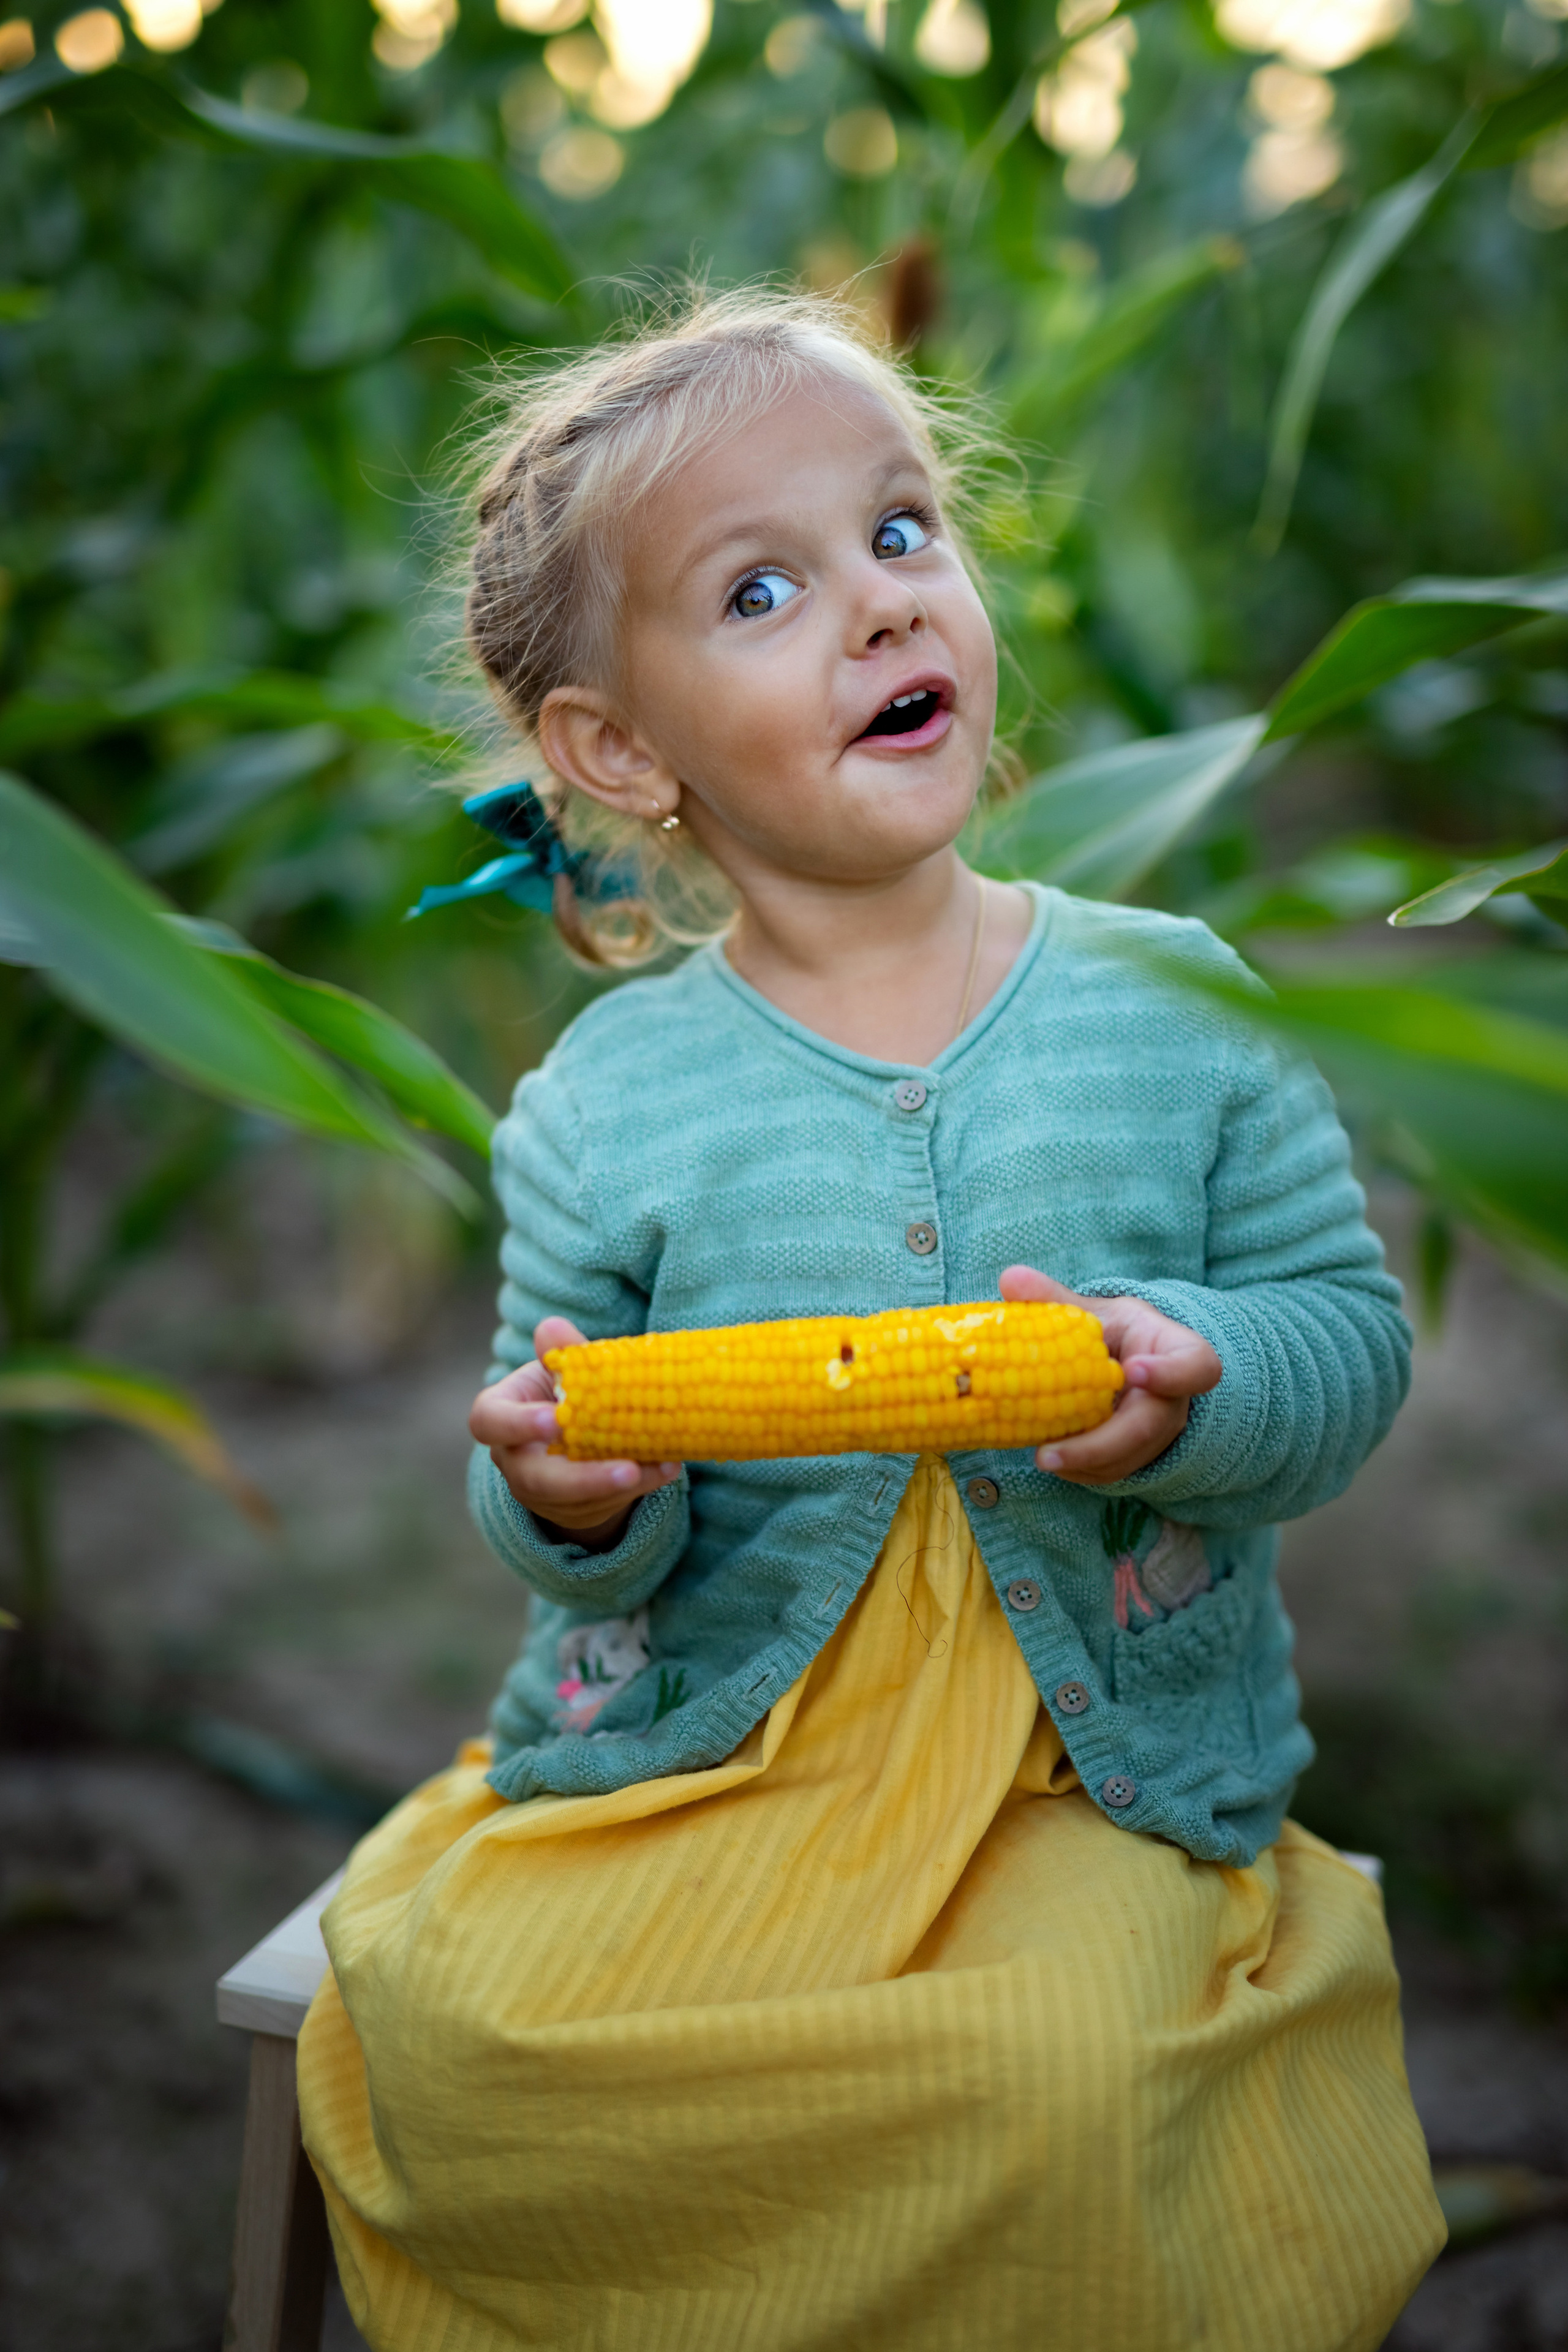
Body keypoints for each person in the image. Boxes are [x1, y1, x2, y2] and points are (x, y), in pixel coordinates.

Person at [298, 288, 1444, 2352]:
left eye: (903, 532)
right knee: (475, 2054)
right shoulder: (604, 1110)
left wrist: (1202, 1382)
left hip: (1065, 1776)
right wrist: (570, 1498)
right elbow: (569, 1500)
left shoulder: (1172, 1000)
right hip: (728, 1759)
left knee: (1058, 2090)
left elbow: (1343, 1341)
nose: (880, 607)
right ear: (618, 751)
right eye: (764, 588)